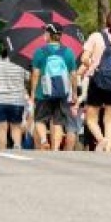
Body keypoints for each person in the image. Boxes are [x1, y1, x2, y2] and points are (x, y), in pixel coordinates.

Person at [78, 10, 111, 152]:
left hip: (97, 81)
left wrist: (93, 66)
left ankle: (101, 140)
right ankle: (108, 148)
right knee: (110, 118)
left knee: (91, 118)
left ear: (106, 22)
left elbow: (84, 58)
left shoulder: (96, 36)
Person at [30, 23, 78, 151]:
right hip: (62, 93)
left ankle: (44, 140)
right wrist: (74, 93)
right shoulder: (68, 53)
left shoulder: (40, 52)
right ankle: (56, 149)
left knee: (39, 120)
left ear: (49, 35)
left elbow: (35, 74)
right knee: (58, 122)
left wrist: (33, 93)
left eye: (45, 32)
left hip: (43, 92)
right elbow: (73, 75)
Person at [0, 42, 28, 150]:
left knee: (2, 128)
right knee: (16, 127)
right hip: (17, 100)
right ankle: (17, 146)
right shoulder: (21, 61)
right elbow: (27, 78)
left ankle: (3, 151)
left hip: (0, 100)